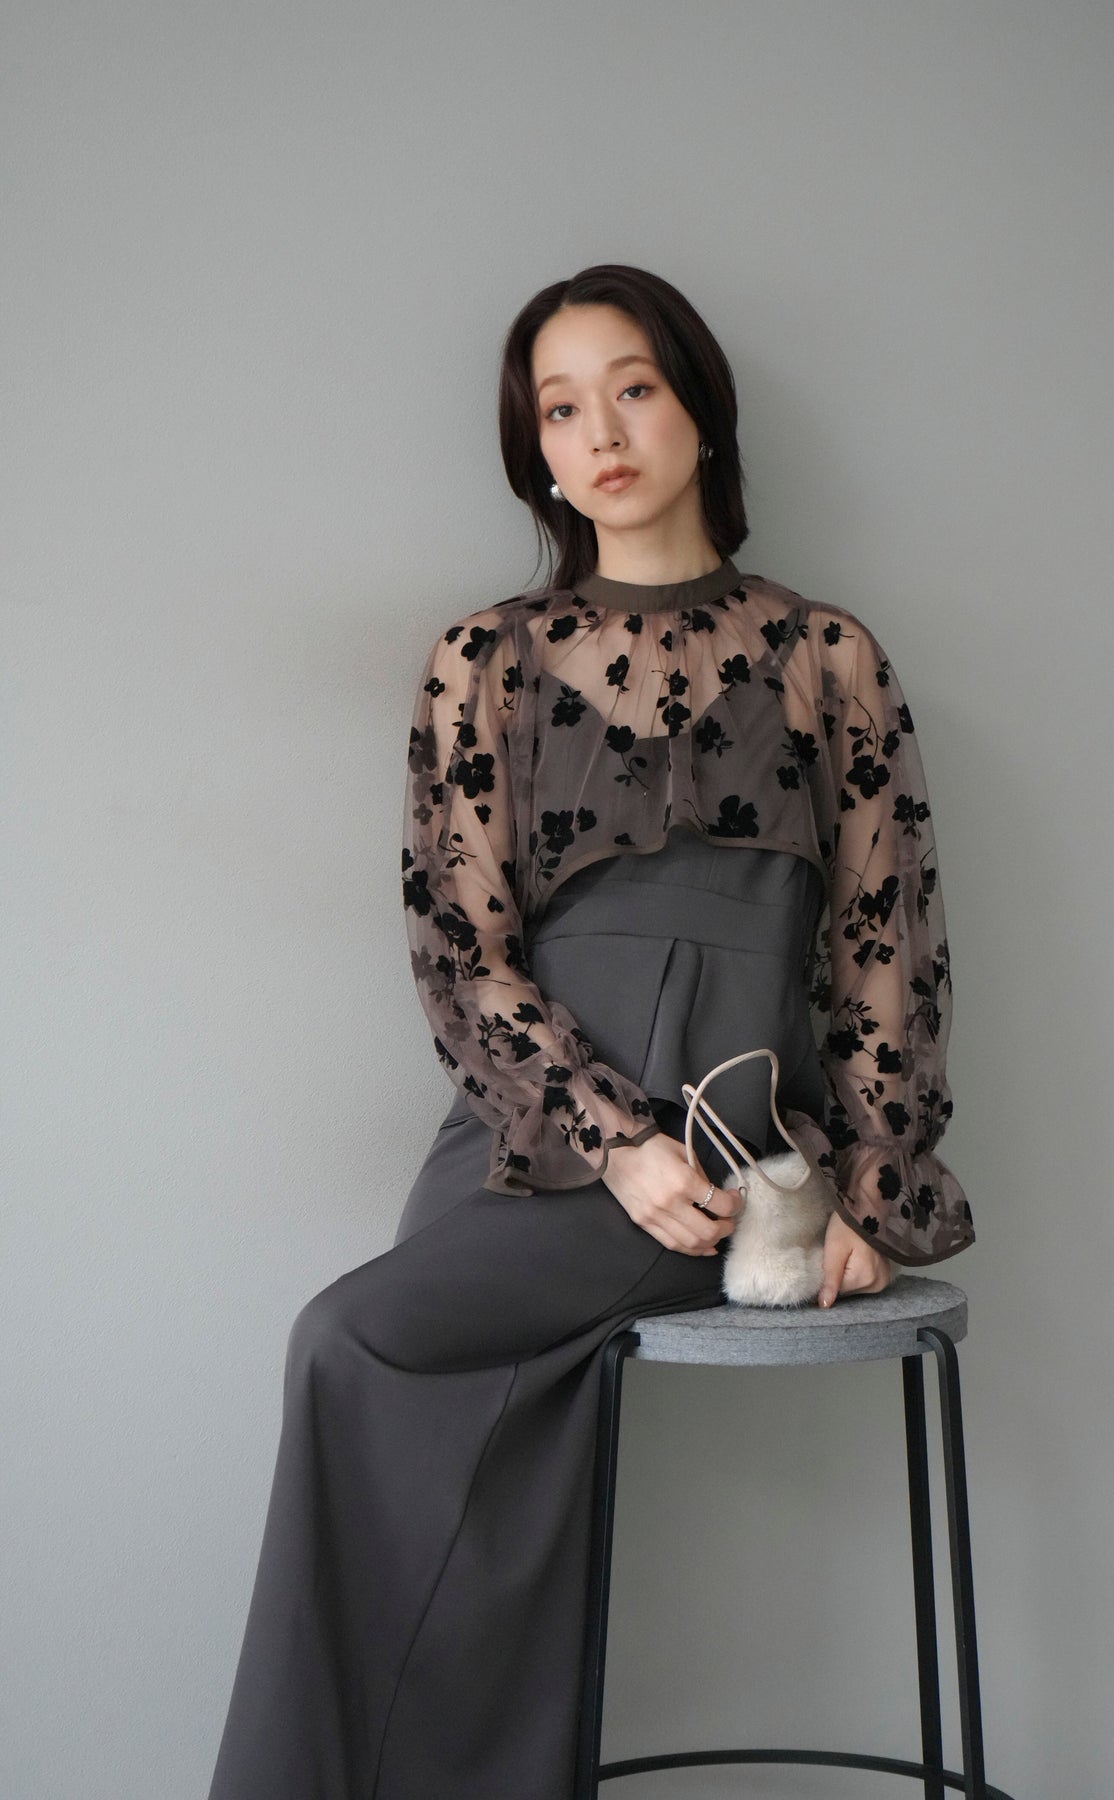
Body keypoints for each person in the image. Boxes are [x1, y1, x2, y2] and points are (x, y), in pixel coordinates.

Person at [207, 263, 974, 1800]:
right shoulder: (479, 661)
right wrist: (613, 1141)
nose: (601, 434)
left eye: (631, 388)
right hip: (539, 1139)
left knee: (350, 1345)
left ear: (699, 407)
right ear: (535, 453)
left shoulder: (824, 656)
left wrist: (870, 1187)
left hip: (729, 1145)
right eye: (559, 410)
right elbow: (462, 954)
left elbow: (885, 944)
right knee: (395, 1389)